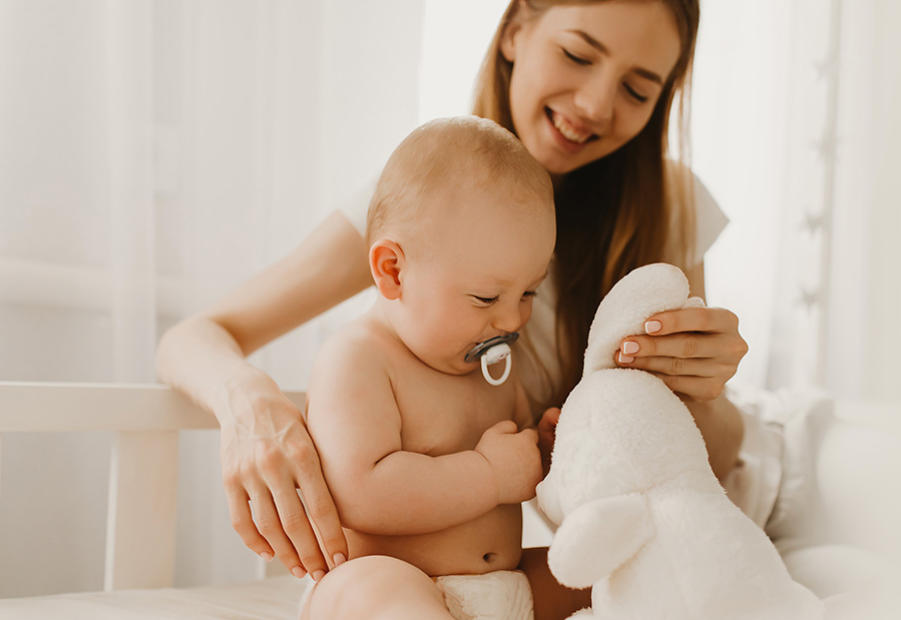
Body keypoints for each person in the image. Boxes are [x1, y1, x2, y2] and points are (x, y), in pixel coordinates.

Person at [156, 1, 752, 616]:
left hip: (509, 575)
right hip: (395, 578)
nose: (597, 105)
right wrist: (248, 402)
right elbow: (196, 336)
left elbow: (710, 454)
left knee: (635, 573)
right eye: (577, 55)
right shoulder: (421, 197)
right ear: (517, 29)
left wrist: (583, 439)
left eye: (636, 88)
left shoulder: (665, 205)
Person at [301, 115, 557, 619]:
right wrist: (488, 474)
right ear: (394, 271)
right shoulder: (359, 358)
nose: (511, 318)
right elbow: (362, 493)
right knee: (375, 589)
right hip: (389, 587)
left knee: (607, 574)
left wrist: (545, 454)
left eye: (529, 292)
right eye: (487, 296)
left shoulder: (494, 360)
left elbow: (520, 468)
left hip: (504, 588)